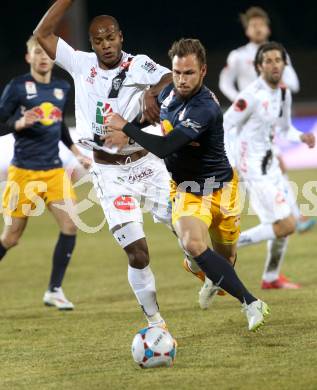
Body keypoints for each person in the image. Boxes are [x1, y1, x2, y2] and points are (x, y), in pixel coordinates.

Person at [105, 38, 270, 331]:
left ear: (203, 71)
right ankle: (251, 302)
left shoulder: (204, 107)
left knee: (226, 261)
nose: (181, 80)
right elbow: (151, 116)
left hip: (223, 191)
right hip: (186, 191)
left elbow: (167, 146)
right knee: (192, 243)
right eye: (178, 72)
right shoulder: (168, 93)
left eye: (189, 73)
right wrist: (133, 124)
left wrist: (125, 127)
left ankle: (207, 274)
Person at [34, 0, 175, 328]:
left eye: (110, 37)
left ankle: (201, 267)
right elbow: (42, 33)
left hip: (147, 164)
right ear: (91, 42)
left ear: (120, 37)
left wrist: (152, 93)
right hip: (110, 172)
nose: (106, 44)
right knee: (138, 253)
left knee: (188, 233)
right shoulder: (80, 64)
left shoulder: (138, 65)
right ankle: (155, 321)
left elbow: (169, 79)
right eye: (98, 40)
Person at [0, 36, 91, 310]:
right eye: (36, 52)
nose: (43, 57)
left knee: (70, 225)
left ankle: (54, 289)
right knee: (11, 238)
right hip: (23, 174)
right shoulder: (17, 87)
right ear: (28, 58)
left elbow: (60, 126)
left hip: (54, 172)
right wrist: (18, 122)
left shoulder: (62, 87)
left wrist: (76, 152)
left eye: (46, 53)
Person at [223, 42, 315, 289]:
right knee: (287, 224)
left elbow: (285, 129)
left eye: (278, 60)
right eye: (268, 61)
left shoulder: (283, 93)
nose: (274, 65)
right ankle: (222, 248)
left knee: (279, 227)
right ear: (258, 66)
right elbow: (225, 125)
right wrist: (231, 161)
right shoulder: (250, 96)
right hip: (252, 169)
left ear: (285, 64)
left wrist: (301, 137)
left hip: (271, 166)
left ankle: (271, 277)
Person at [218, 6, 315, 233]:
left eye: (261, 24)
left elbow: (294, 83)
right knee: (239, 173)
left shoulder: (279, 56)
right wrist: (239, 100)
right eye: (253, 25)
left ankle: (291, 217)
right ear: (247, 30)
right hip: (245, 124)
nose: (258, 28)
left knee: (273, 166)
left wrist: (276, 87)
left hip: (266, 124)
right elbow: (224, 82)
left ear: (268, 28)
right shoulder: (239, 56)